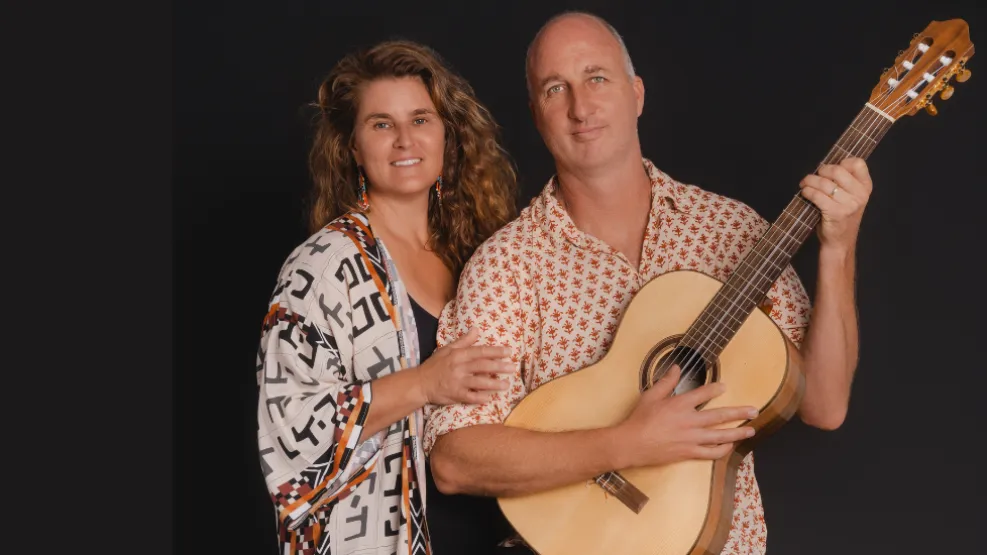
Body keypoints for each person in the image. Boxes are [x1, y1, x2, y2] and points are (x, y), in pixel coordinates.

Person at [424, 11, 872, 555]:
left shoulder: (733, 231)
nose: (580, 107)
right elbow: (455, 460)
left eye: (596, 78)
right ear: (536, 114)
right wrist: (627, 443)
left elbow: (824, 404)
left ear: (636, 94)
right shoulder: (507, 266)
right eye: (555, 89)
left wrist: (838, 248)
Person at [255, 39, 520, 555]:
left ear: (447, 134)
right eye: (381, 124)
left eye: (420, 119)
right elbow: (287, 430)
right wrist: (424, 383)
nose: (405, 140)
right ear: (353, 147)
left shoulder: (478, 253)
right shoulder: (323, 267)